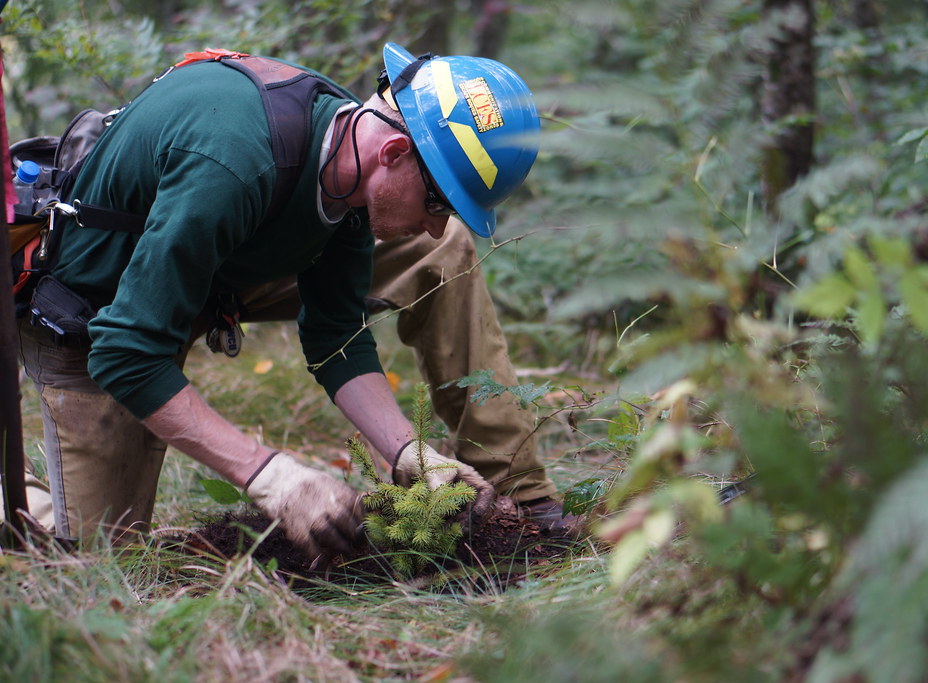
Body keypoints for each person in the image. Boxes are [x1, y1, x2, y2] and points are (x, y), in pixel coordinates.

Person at [10, 42, 571, 560]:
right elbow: (126, 352)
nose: (432, 228)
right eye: (439, 203)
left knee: (442, 252)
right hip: (96, 311)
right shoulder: (234, 159)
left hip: (208, 272)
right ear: (396, 151)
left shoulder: (350, 169)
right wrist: (271, 476)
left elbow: (336, 337)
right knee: (99, 560)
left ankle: (520, 493)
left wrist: (407, 453)